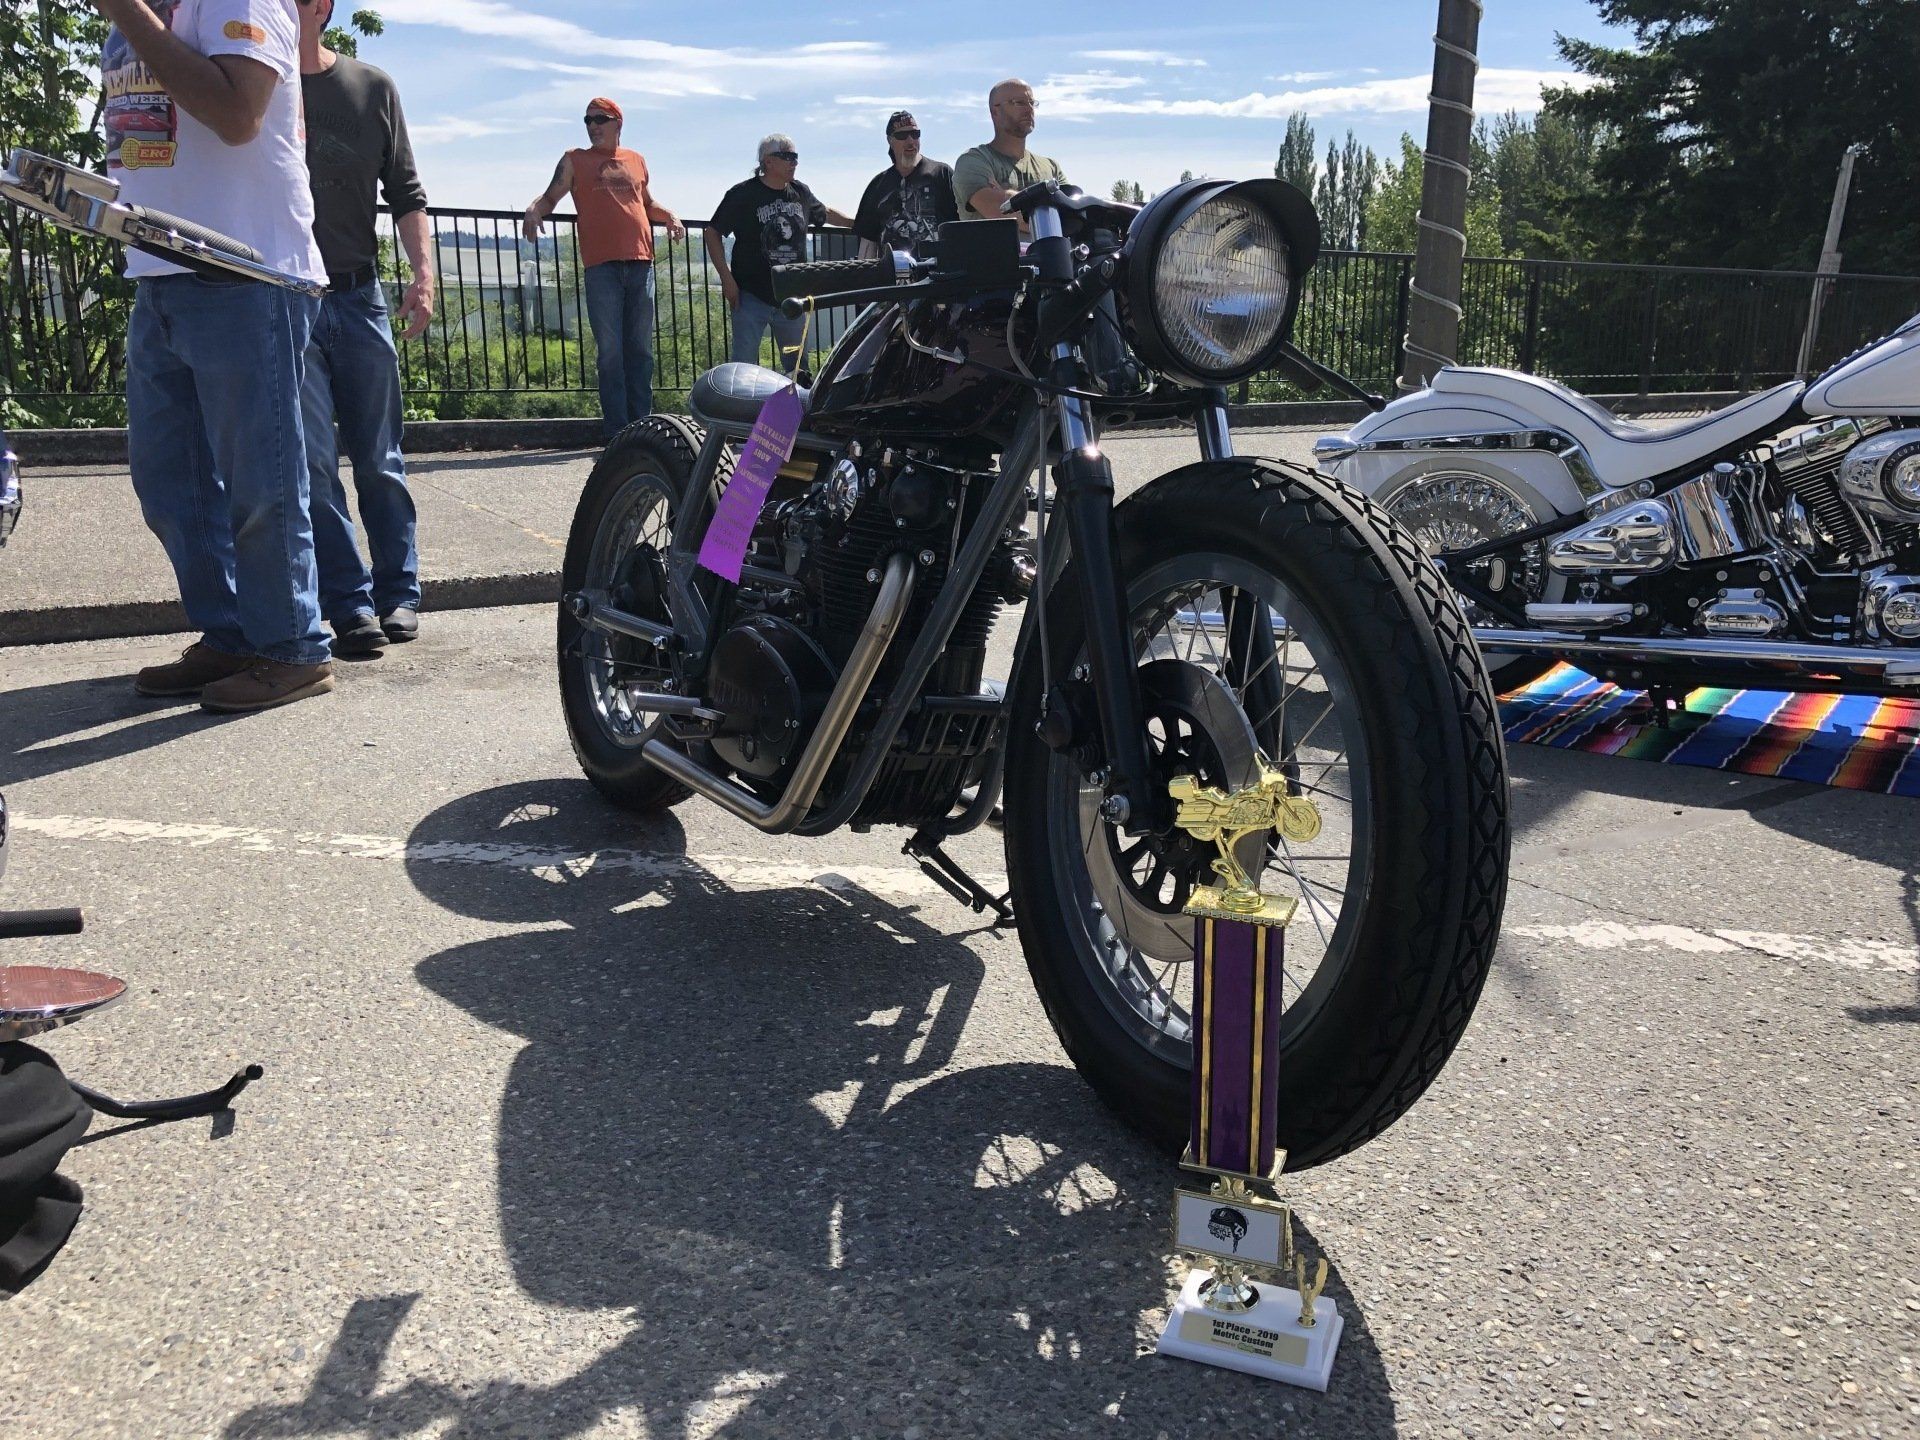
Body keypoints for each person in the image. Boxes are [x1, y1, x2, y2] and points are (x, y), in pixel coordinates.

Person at [97, 0, 333, 712]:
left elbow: (237, 117)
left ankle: (292, 646)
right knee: (170, 480)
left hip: (246, 269)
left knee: (261, 478)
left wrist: (129, 15)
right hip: (162, 266)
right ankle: (233, 632)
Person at [297, 0, 431, 653]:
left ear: (321, 7)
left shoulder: (371, 87)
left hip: (358, 296)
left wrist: (423, 277)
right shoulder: (253, 87)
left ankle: (398, 593)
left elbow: (407, 195)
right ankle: (349, 606)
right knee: (315, 464)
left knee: (379, 457)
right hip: (284, 303)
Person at [522, 98, 685, 437]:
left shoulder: (636, 160)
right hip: (602, 268)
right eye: (588, 120)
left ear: (618, 124)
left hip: (641, 264)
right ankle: (617, 431)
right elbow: (551, 197)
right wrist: (534, 209)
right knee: (610, 351)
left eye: (600, 119)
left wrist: (669, 217)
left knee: (640, 349)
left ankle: (642, 427)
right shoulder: (574, 160)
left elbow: (647, 203)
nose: (593, 125)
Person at [705, 134, 855, 375]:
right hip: (751, 296)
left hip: (791, 298)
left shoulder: (800, 192)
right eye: (787, 156)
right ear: (767, 161)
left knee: (796, 368)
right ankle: (744, 413)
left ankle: (795, 412)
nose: (793, 162)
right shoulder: (743, 194)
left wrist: (855, 224)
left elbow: (824, 212)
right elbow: (712, 233)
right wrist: (726, 279)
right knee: (743, 368)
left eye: (795, 157)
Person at [953, 78, 1065, 229]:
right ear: (995, 112)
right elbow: (1000, 211)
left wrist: (1009, 199)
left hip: (1050, 253)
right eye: (1019, 103)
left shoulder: (1050, 167)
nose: (1029, 109)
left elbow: (1068, 217)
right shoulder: (973, 161)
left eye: (1031, 103)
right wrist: (1047, 210)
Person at [853, 110, 956, 260]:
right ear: (890, 140)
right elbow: (868, 241)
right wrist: (865, 278)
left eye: (915, 134)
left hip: (938, 275)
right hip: (893, 275)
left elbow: (960, 226)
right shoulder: (878, 185)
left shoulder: (942, 173)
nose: (910, 141)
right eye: (902, 136)